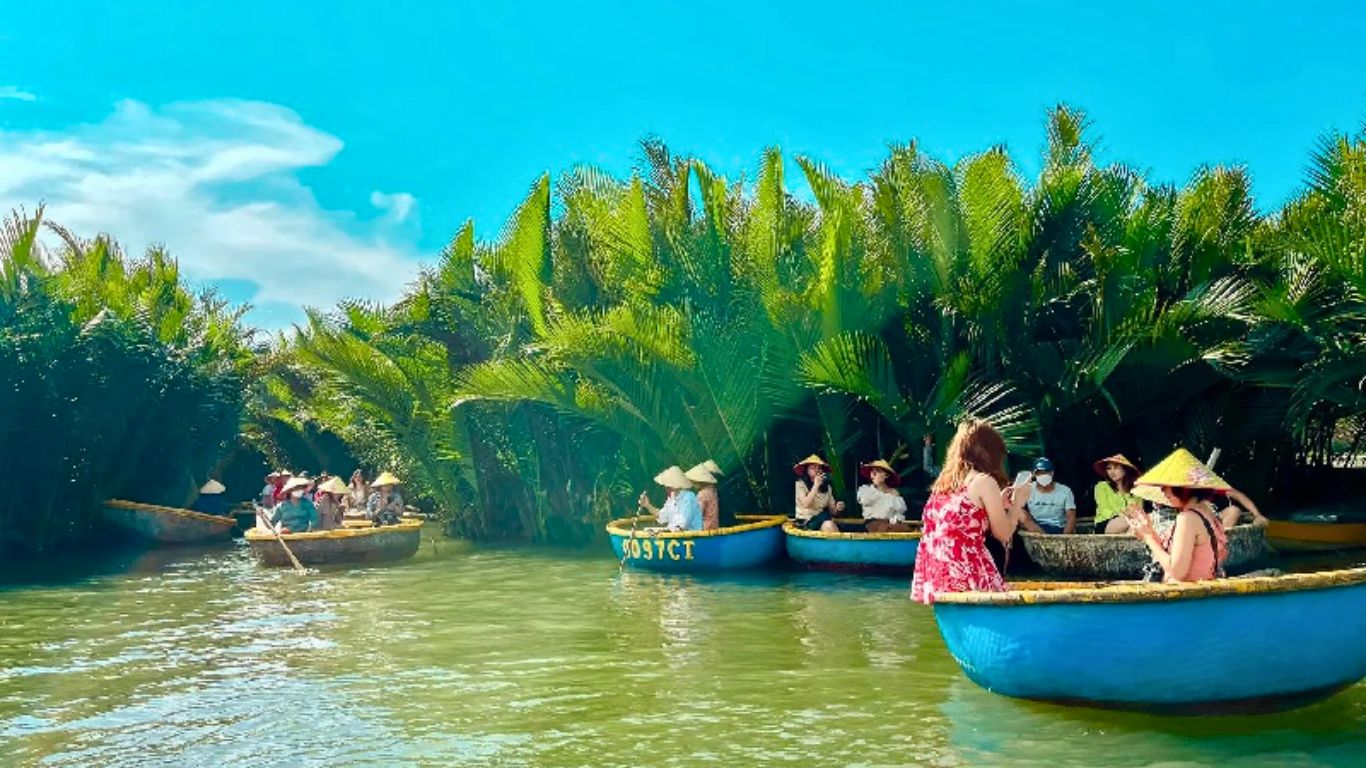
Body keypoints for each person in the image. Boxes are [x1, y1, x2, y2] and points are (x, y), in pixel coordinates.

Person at [911, 419, 1033, 604]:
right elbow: (1003, 534)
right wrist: (1018, 503)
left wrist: (998, 502)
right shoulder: (984, 481)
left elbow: (959, 521)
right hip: (967, 574)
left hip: (937, 576)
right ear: (988, 452)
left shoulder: (944, 484)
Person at [1123, 448, 1230, 582]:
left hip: (1183, 597)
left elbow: (1177, 572)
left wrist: (1148, 537)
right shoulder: (1207, 512)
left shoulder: (1187, 519)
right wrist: (1149, 531)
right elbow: (1178, 557)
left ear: (1182, 488)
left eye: (1166, 486)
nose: (1163, 491)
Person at [638, 466, 702, 532]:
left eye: (668, 486)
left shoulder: (688, 497)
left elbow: (681, 525)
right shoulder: (672, 497)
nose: (666, 488)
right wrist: (647, 505)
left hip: (691, 538)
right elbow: (662, 516)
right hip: (677, 536)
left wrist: (661, 530)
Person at [1022, 458, 1076, 534]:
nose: (1043, 475)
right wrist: (1030, 523)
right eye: (1039, 472)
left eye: (1046, 472)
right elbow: (1018, 509)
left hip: (1058, 527)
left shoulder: (1065, 491)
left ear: (1052, 473)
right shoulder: (1027, 489)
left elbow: (1071, 517)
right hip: (1036, 528)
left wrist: (1064, 538)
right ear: (1034, 474)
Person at [857, 459, 913, 533]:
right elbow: (864, 501)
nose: (874, 474)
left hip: (890, 526)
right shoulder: (866, 490)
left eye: (878, 471)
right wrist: (877, 486)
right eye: (872, 471)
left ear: (886, 475)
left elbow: (899, 514)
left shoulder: (894, 495)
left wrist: (895, 520)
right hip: (871, 526)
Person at [1092, 454, 1142, 534]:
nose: (1112, 472)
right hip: (1106, 523)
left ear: (1125, 470)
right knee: (1135, 522)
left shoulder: (1136, 490)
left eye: (1116, 468)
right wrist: (1123, 514)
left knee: (1135, 528)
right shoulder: (1102, 486)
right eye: (1109, 468)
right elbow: (1104, 509)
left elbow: (1139, 511)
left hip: (1132, 523)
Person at [794, 454, 843, 534]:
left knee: (828, 524)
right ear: (807, 470)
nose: (817, 470)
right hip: (805, 522)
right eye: (813, 468)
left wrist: (838, 508)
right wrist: (816, 486)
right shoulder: (800, 484)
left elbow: (833, 511)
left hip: (821, 520)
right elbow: (806, 504)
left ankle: (839, 545)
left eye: (819, 468)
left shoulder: (827, 487)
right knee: (828, 523)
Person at [686, 463, 721, 531]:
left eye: (694, 481)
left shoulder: (702, 495)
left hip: (704, 528)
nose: (693, 484)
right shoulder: (712, 490)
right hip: (714, 526)